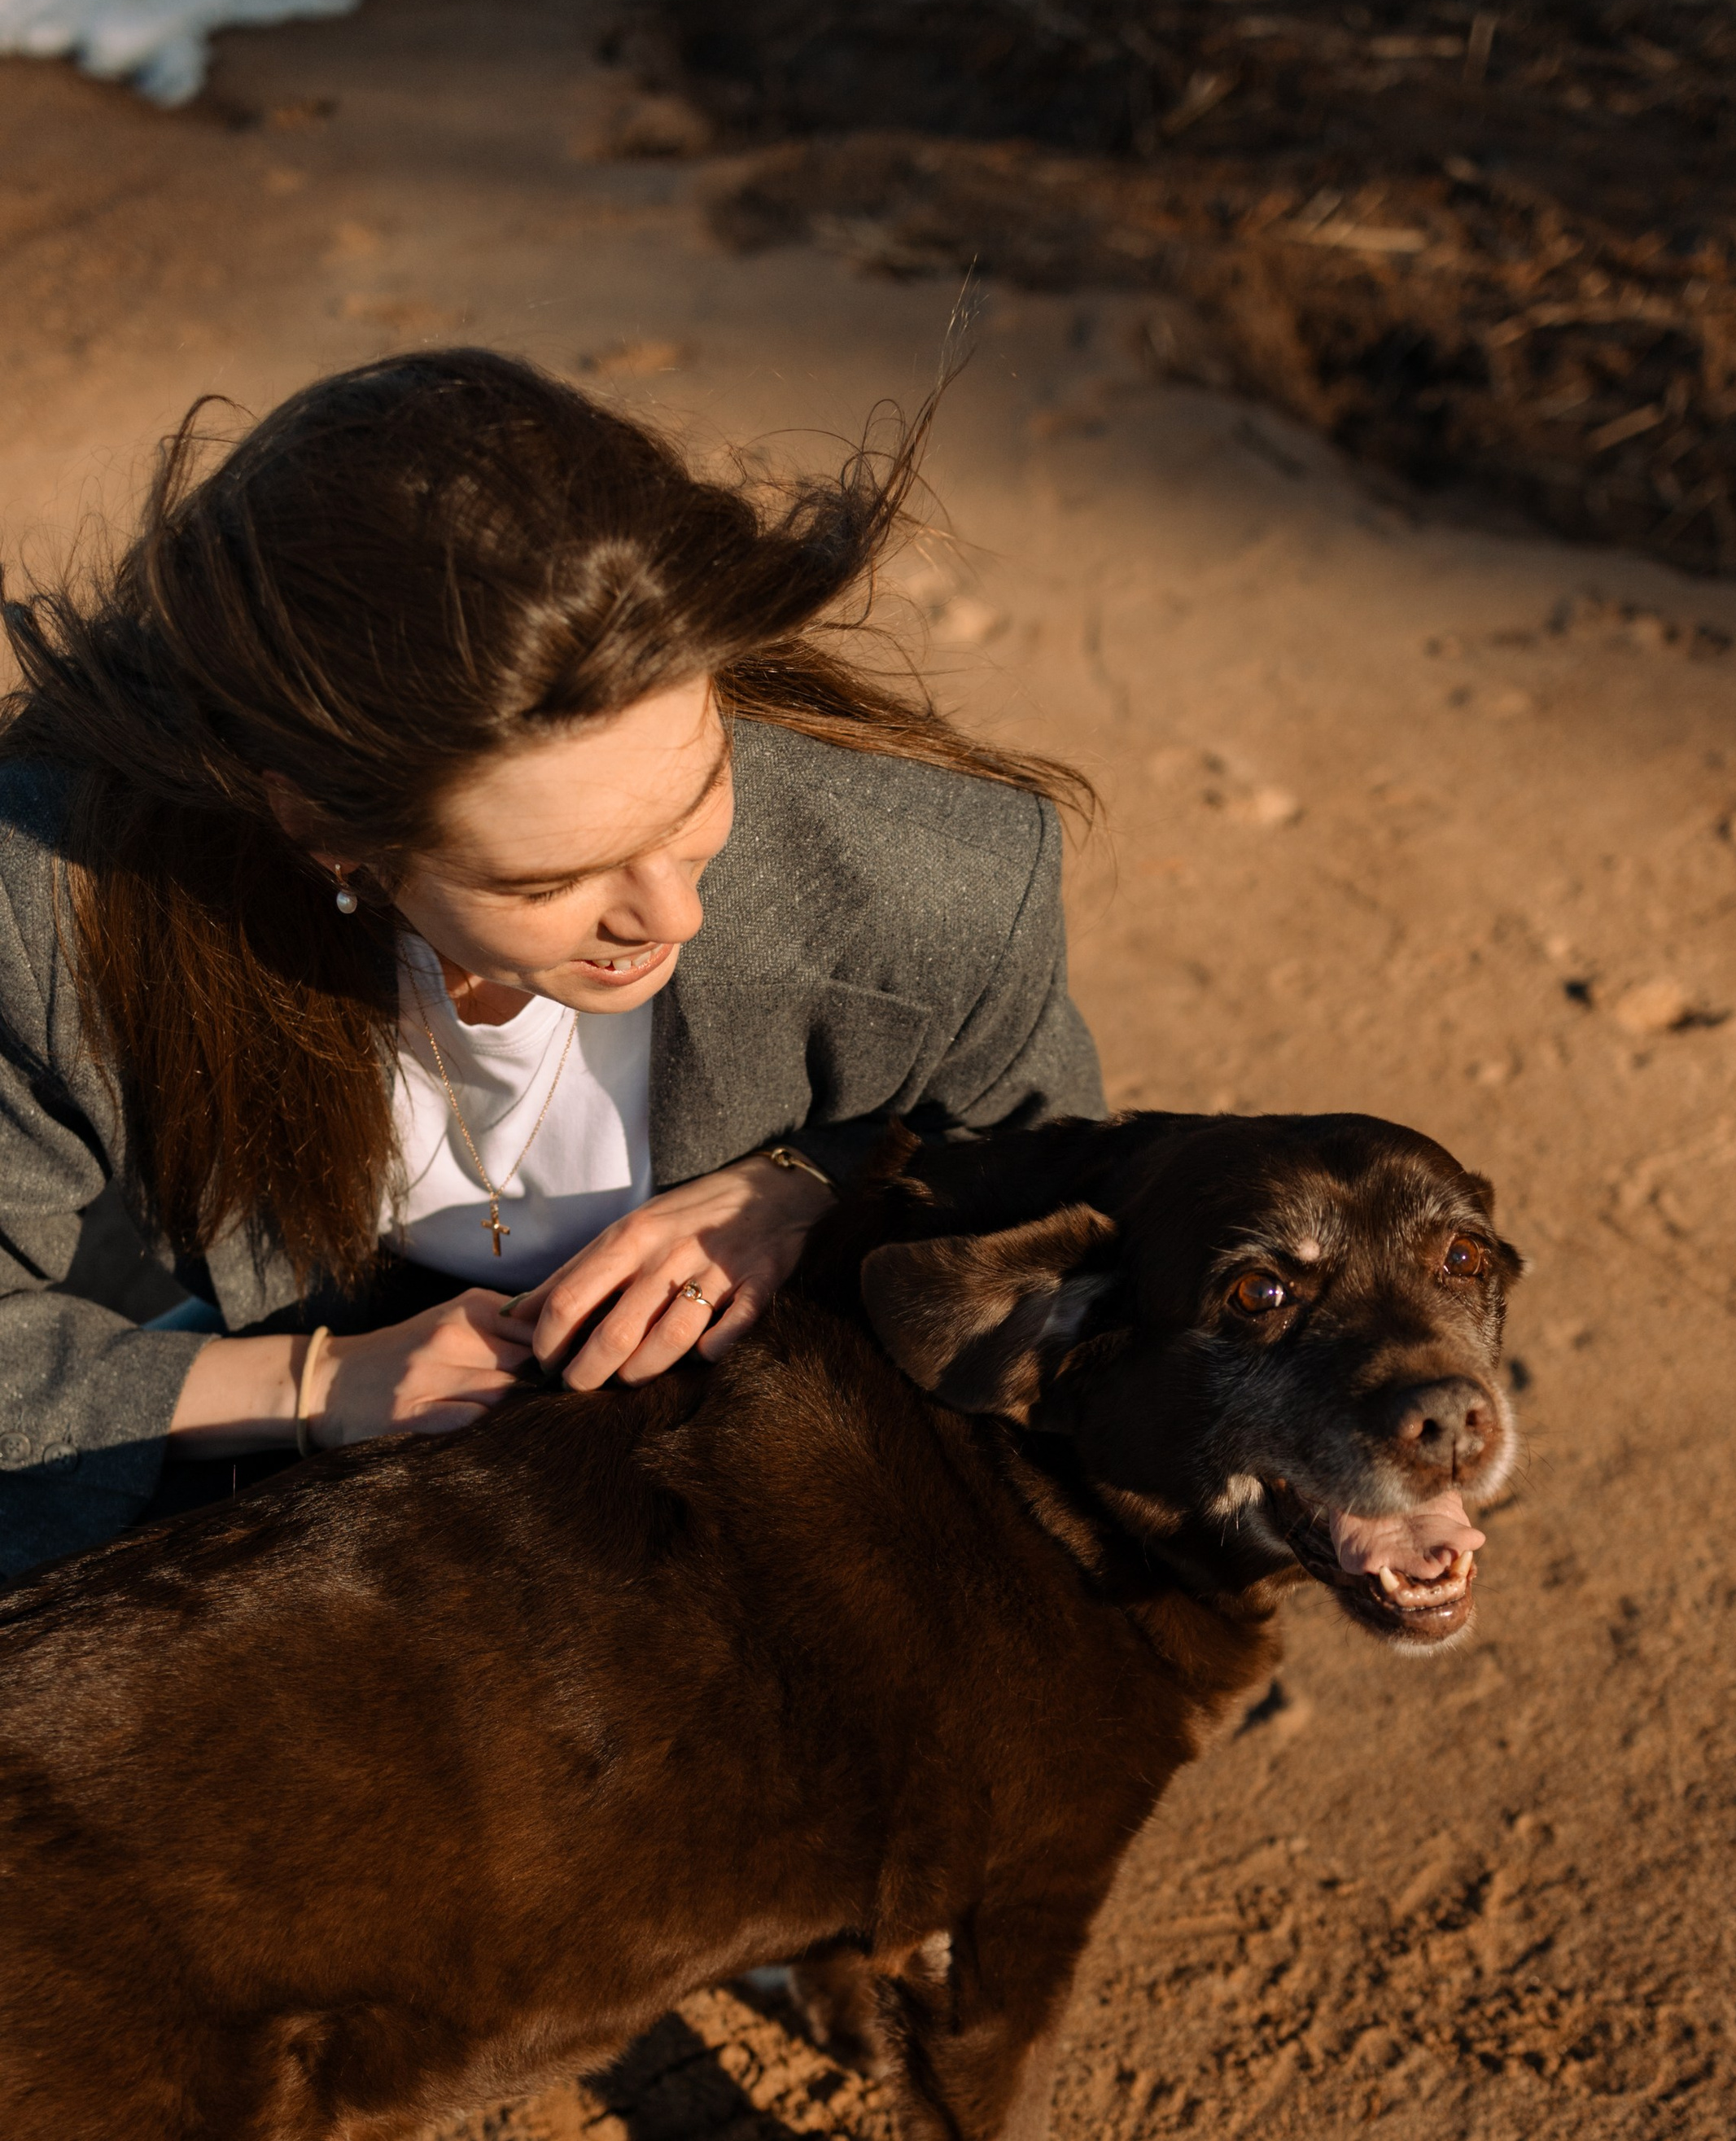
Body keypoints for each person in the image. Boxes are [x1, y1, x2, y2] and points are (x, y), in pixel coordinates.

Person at [0, 347, 1103, 1578]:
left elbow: (1064, 1190)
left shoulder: (932, 877)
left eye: (696, 795)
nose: (670, 914)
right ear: (320, 830)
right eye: (548, 881)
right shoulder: (63, 906)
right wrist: (309, 1382)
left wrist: (811, 1189)